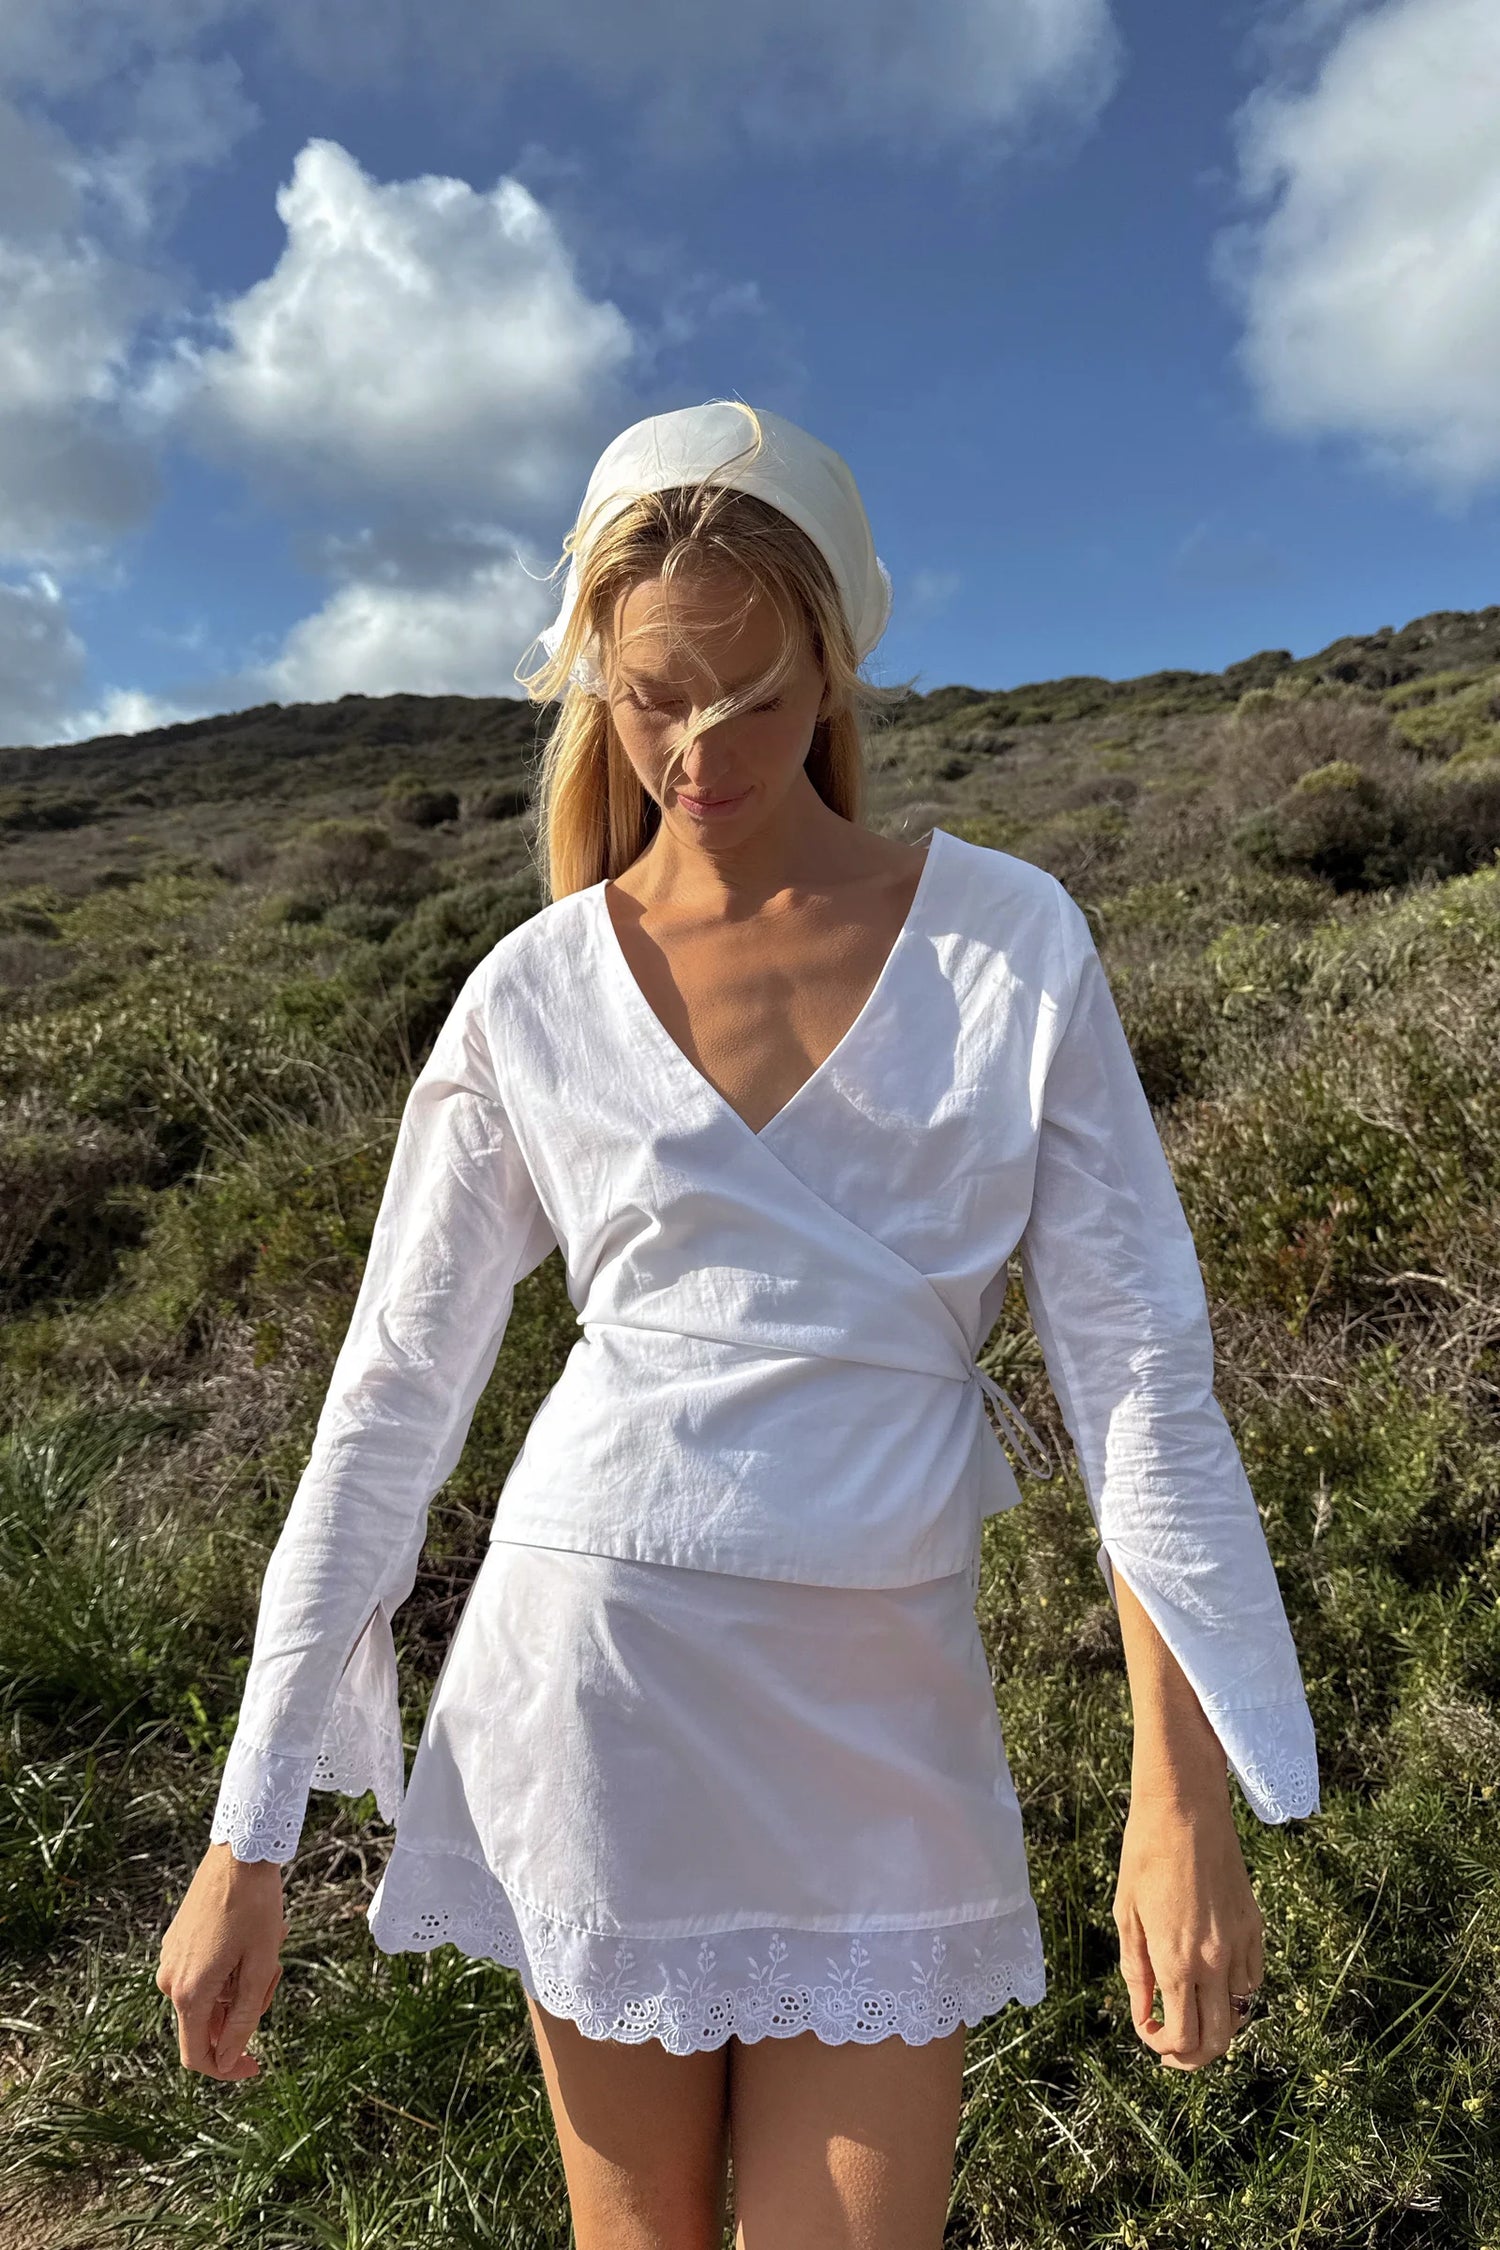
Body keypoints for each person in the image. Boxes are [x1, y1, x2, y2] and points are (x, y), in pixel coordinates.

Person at [157, 399, 1321, 2248]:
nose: (697, 751)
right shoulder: (532, 993)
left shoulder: (1012, 944)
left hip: (881, 1710)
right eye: (648, 696)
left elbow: (1139, 1384)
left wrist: (1180, 1792)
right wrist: (252, 1828)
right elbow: (386, 1403)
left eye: (753, 695)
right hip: (595, 1689)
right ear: (588, 680)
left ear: (837, 661)